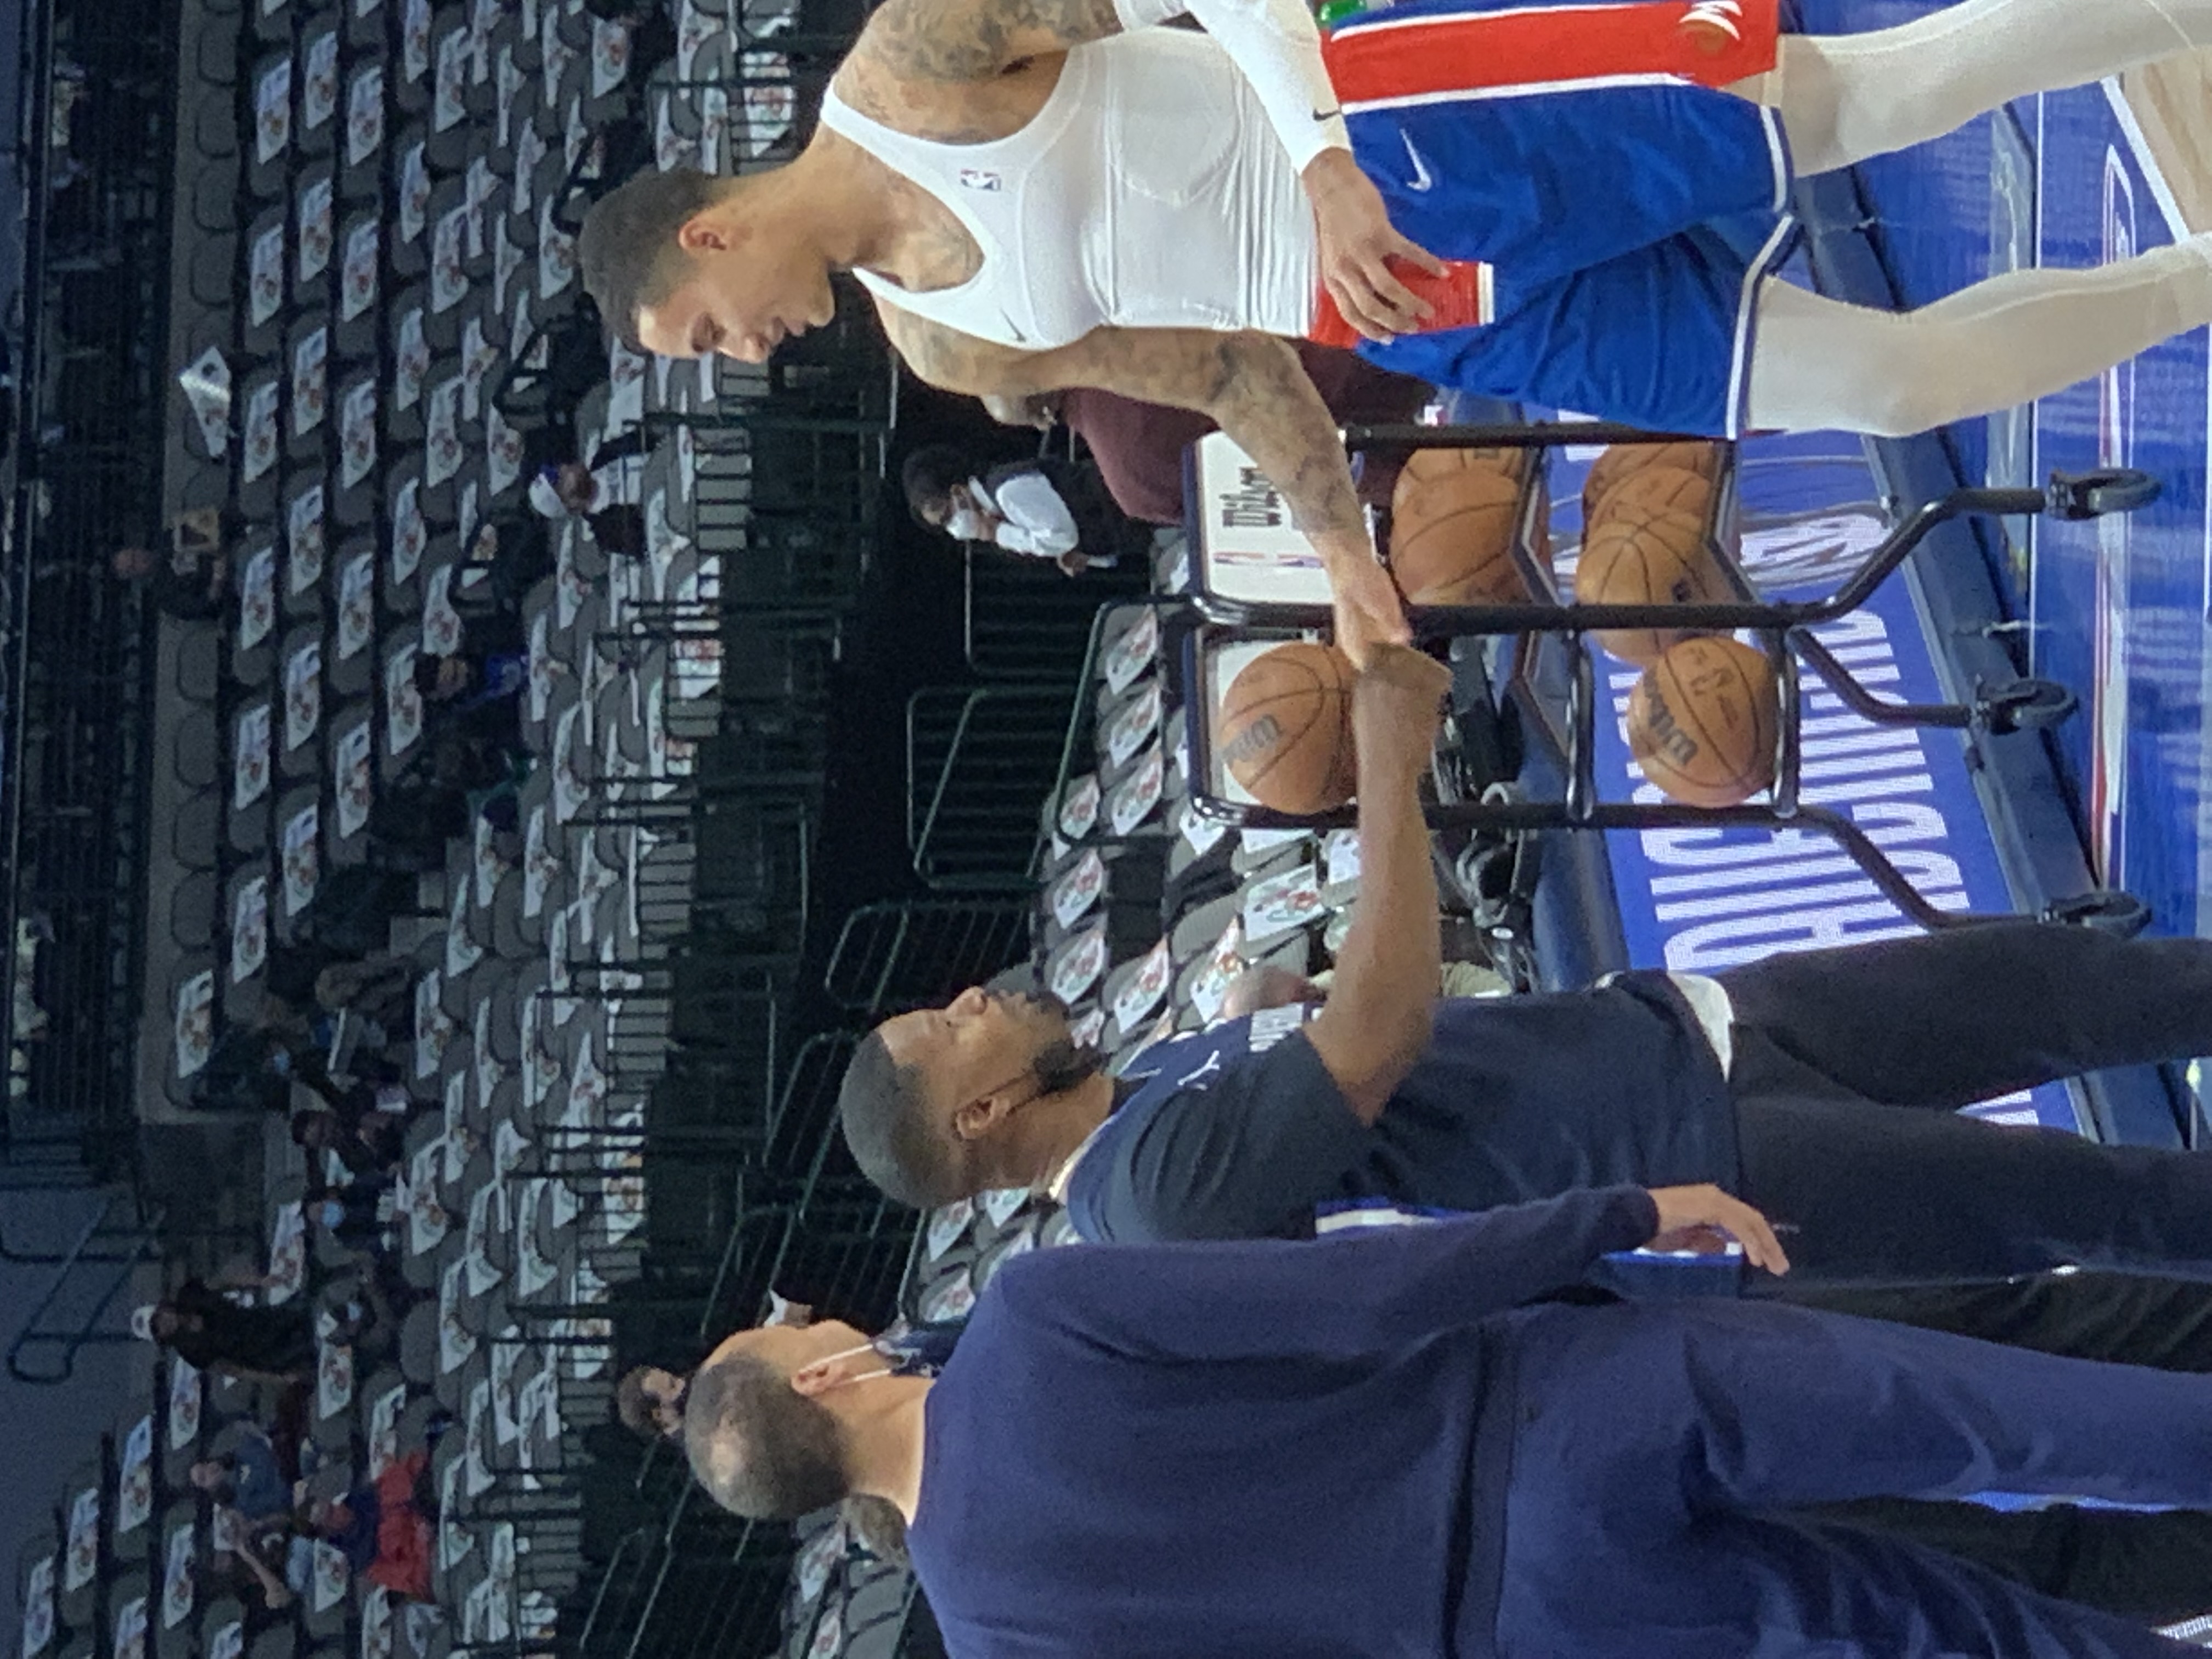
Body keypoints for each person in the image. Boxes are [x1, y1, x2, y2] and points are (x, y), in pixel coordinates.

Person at [579, 0, 2212, 663]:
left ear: (711, 231)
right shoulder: (946, 348)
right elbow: (1221, 367)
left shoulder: (912, 63)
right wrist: (1339, 550)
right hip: (1414, 315)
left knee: (1869, 102)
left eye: (709, 329)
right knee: (1887, 384)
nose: (748, 352)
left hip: (1409, 138)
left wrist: (1321, 158)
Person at [682, 1184, 2212, 1658]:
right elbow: (1358, 1300)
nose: (819, 1317)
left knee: (1979, 1648)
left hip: (1547, 1623)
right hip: (1560, 1412)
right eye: (800, 1329)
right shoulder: (1027, 1320)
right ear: (824, 1379)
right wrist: (1611, 1214)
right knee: (2018, 1424)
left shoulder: (998, 1634)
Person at [986, 341, 1434, 526]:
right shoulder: (1136, 329)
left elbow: (1255, 527)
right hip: (1362, 354)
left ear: (1043, 421)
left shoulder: (1132, 490)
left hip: (1382, 479)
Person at [901, 444, 1145, 574]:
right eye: (945, 526)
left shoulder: (1006, 492)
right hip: (1131, 519)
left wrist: (999, 534)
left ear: (958, 492)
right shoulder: (999, 513)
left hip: (1133, 498)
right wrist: (1086, 555)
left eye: (947, 516)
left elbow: (1062, 536)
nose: (954, 527)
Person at [140, 1276, 316, 1385]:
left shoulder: (189, 1294)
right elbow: (234, 1370)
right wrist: (280, 1379)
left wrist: (260, 1282)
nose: (165, 1324)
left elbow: (225, 1283)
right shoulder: (190, 1352)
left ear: (163, 1309)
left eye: (160, 1318)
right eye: (159, 1330)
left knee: (311, 1306)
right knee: (312, 1348)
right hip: (264, 1353)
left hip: (263, 1319)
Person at [113, 543, 227, 623]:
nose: (139, 559)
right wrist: (217, 578)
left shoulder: (171, 540)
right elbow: (205, 606)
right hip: (229, 591)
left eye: (134, 555)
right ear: (135, 576)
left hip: (228, 550)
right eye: (133, 565)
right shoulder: (164, 597)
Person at [614, 1364, 690, 1440]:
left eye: (675, 1377)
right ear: (658, 1414)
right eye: (673, 1386)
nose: (682, 1382)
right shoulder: (698, 1445)